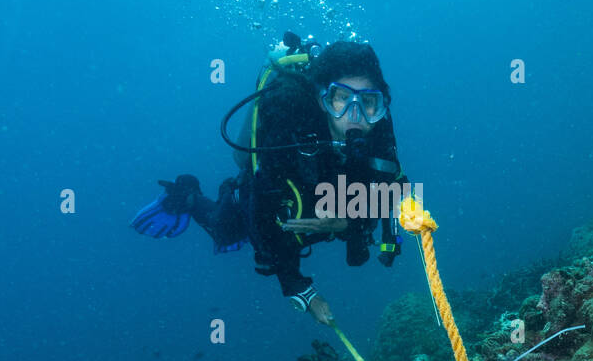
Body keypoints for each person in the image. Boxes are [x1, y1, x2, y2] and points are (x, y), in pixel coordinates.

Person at [131, 36, 407, 324]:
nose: (355, 114)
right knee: (226, 231)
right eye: (341, 98)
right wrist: (299, 288)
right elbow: (261, 210)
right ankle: (187, 196)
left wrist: (349, 223)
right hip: (273, 198)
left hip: (329, 206)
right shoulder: (288, 120)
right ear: (321, 99)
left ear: (380, 104)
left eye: (369, 101)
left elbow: (389, 189)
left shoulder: (379, 127)